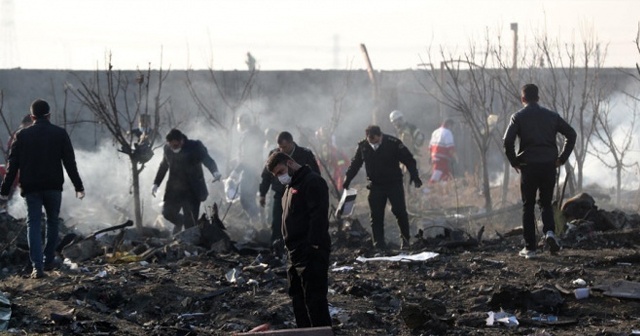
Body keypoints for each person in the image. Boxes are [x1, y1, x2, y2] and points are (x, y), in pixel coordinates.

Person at [0, 99, 85, 279]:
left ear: (32, 117)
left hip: (31, 188)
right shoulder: (60, 134)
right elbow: (70, 163)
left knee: (34, 223)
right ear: (49, 115)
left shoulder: (22, 135)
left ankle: (37, 268)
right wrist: (78, 186)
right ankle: (48, 260)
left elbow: (12, 165)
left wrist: (4, 189)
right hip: (53, 187)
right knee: (53, 222)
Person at [503, 83, 576, 259]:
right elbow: (571, 134)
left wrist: (514, 162)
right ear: (538, 97)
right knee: (545, 202)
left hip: (528, 166)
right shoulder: (551, 116)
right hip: (549, 166)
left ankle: (530, 249)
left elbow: (507, 141)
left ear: (523, 99)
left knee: (528, 205)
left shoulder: (518, 117)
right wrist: (561, 158)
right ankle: (549, 233)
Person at [265, 151, 332, 328]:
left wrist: (313, 246)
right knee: (298, 299)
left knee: (315, 301)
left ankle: (321, 332)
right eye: (276, 175)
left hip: (310, 253)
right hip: (294, 254)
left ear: (290, 163)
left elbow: (318, 218)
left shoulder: (312, 182)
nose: (280, 177)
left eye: (280, 172)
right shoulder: (289, 188)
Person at [343, 125, 422, 250]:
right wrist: (347, 179)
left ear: (380, 136)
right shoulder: (363, 146)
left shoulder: (393, 143)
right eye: (371, 141)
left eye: (376, 141)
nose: (374, 144)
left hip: (393, 184)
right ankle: (379, 245)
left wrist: (415, 175)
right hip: (375, 186)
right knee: (376, 216)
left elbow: (409, 159)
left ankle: (406, 242)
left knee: (400, 212)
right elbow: (355, 164)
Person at [152, 129, 221, 234]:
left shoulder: (195, 147)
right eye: (171, 146)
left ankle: (190, 246)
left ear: (182, 141)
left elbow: (207, 159)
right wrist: (156, 183)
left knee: (190, 223)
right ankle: (180, 222)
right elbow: (164, 166)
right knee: (167, 212)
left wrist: (215, 172)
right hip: (175, 189)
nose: (173, 148)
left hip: (192, 190)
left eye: (175, 146)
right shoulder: (167, 149)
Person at [259, 131, 320, 249]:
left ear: (291, 143)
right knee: (277, 222)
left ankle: (299, 247)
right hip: (280, 193)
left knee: (298, 222)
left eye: (285, 147)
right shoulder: (274, 155)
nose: (282, 150)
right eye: (280, 147)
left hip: (300, 194)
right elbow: (266, 176)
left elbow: (315, 174)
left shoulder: (304, 154)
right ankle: (276, 248)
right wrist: (262, 193)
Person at [236, 114, 264, 224]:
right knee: (251, 197)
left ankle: (256, 221)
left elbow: (247, 156)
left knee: (245, 198)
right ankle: (258, 220)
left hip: (249, 171)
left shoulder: (248, 136)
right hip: (255, 170)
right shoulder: (255, 134)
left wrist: (236, 170)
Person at [314, 126, 350, 192]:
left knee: (339, 172)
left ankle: (339, 190)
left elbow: (345, 161)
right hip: (325, 163)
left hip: (335, 163)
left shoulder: (334, 146)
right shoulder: (318, 146)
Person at [428, 118, 456, 183]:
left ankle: (443, 189)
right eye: (452, 126)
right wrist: (454, 157)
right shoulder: (448, 132)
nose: (453, 128)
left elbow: (430, 147)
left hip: (434, 156)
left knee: (446, 175)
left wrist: (431, 157)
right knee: (436, 175)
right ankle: (430, 188)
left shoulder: (435, 132)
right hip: (442, 158)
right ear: (449, 125)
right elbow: (450, 147)